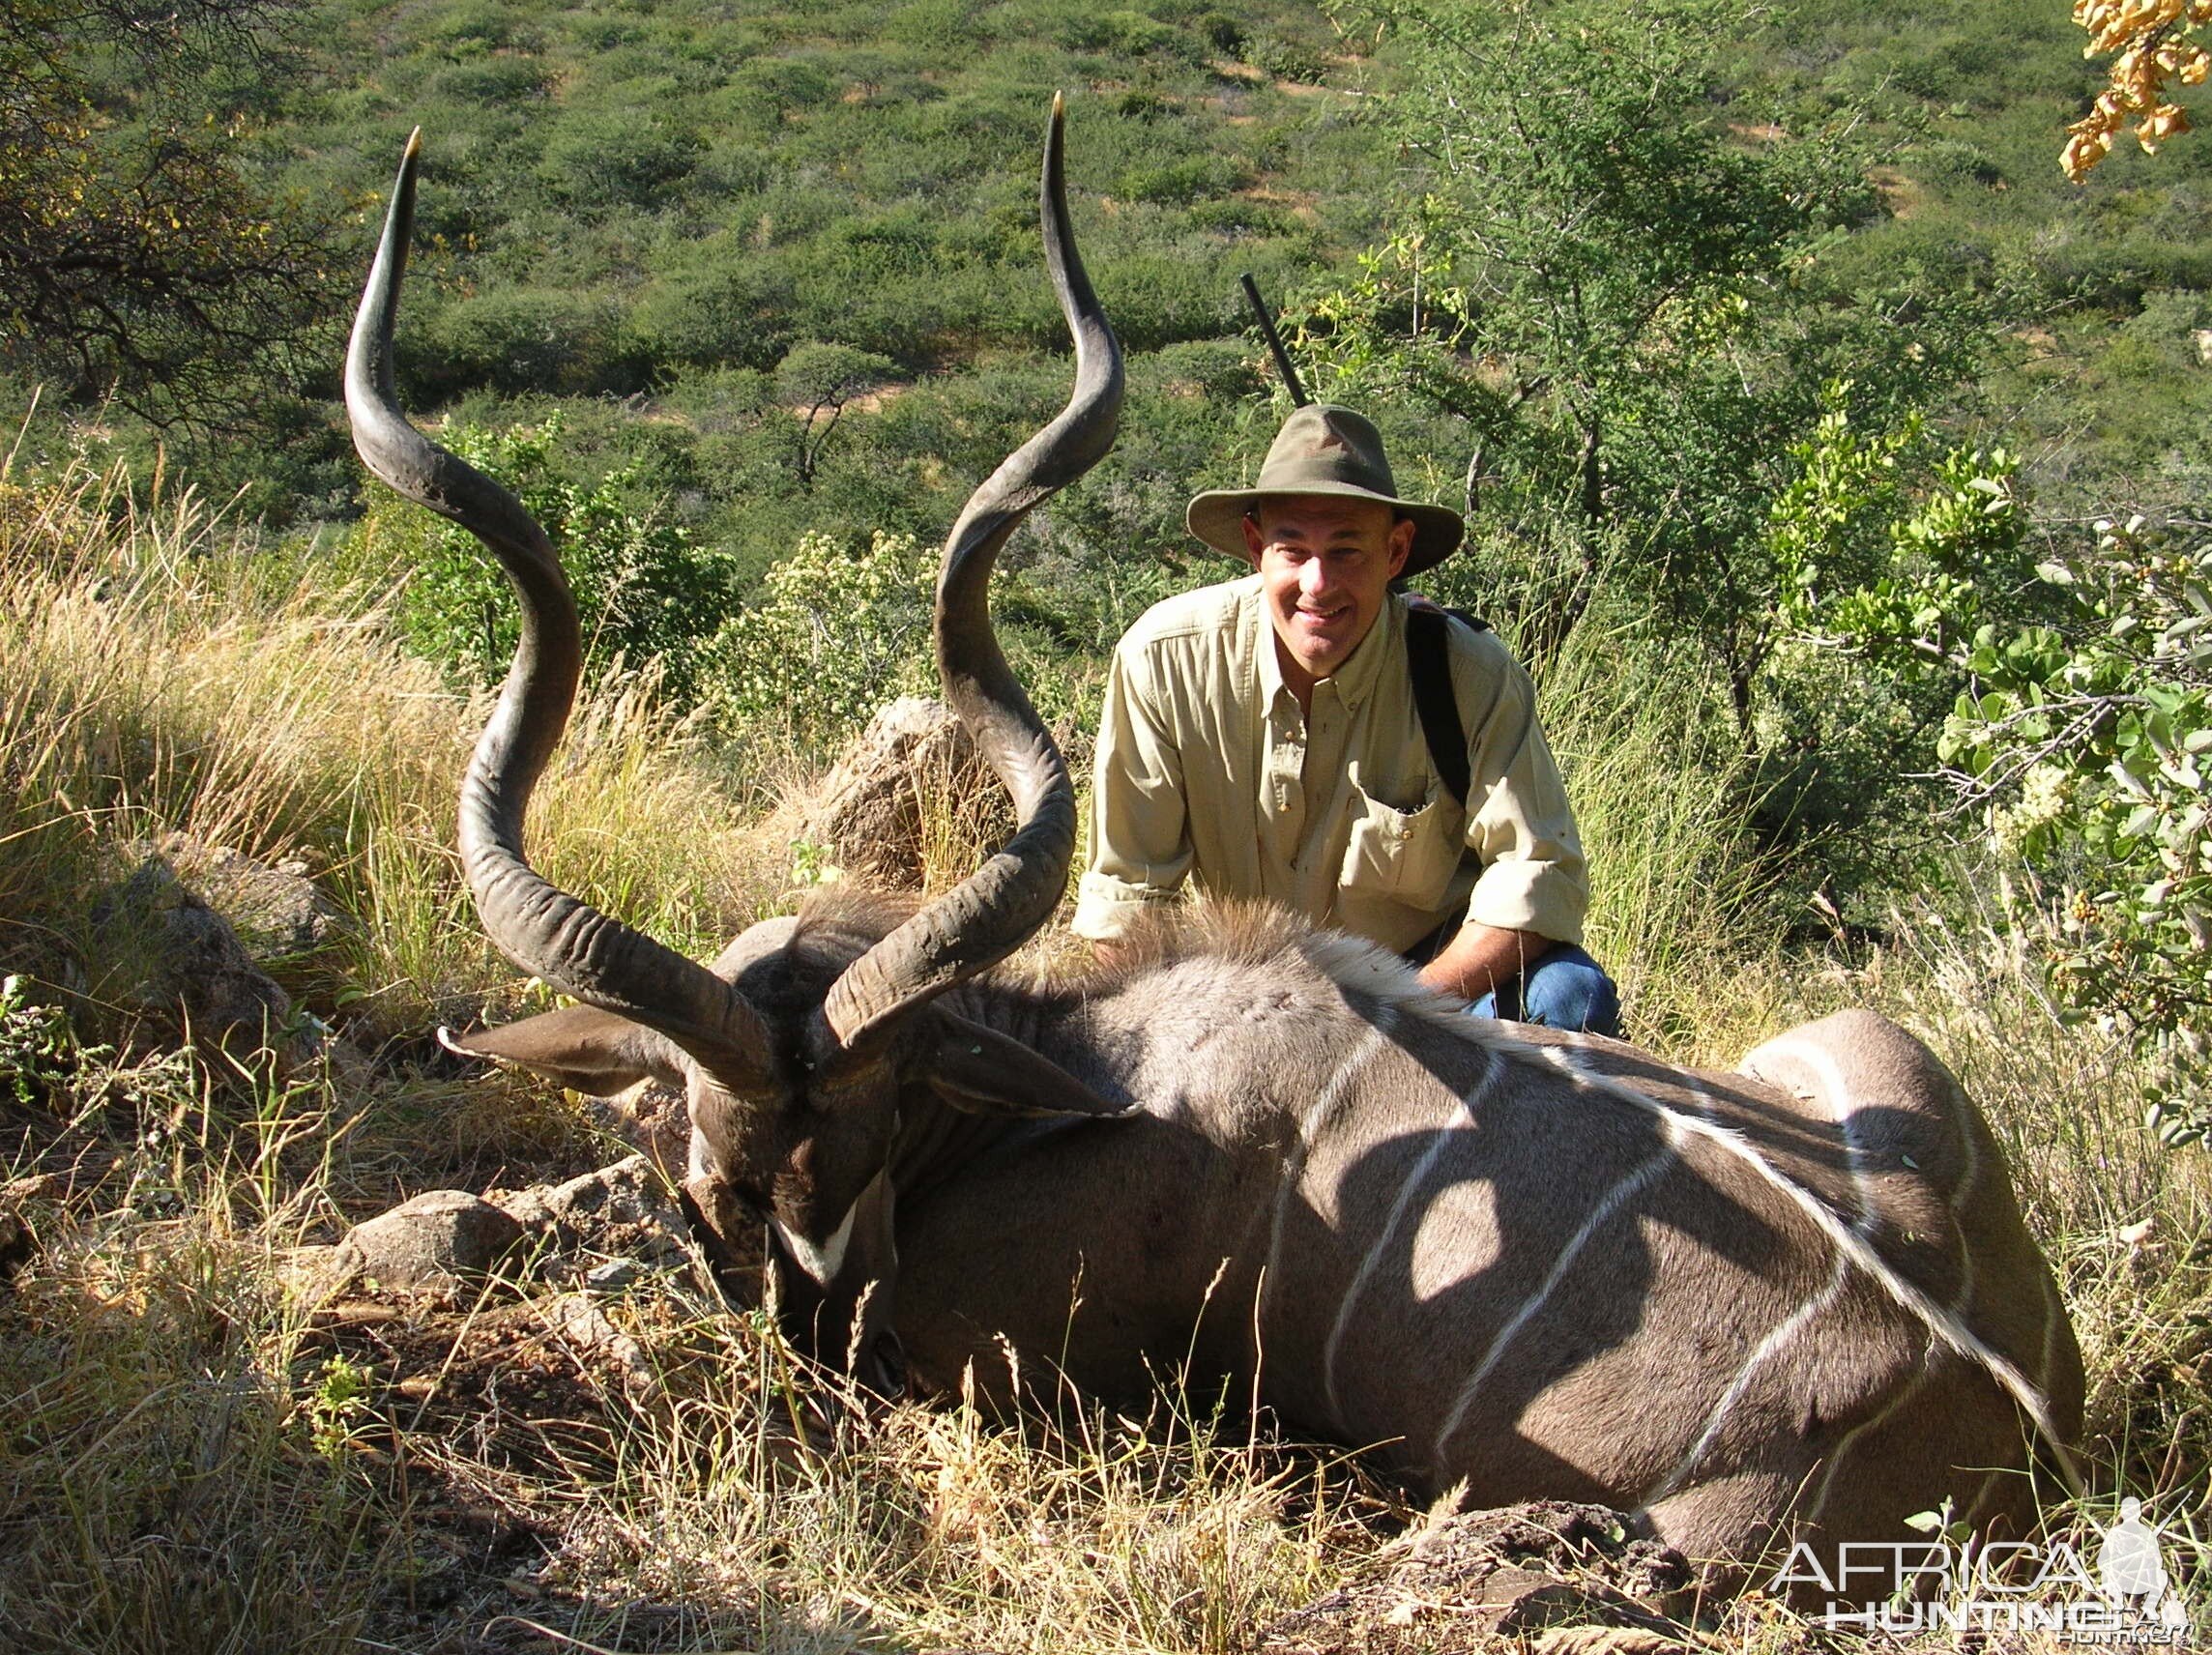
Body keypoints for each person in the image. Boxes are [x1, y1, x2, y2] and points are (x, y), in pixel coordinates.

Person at [1071, 403, 1620, 1036]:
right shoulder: (1164, 661)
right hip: (1247, 990)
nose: (1318, 583)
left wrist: (1398, 1016)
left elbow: (1537, 872)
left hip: (1428, 980)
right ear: (1255, 546)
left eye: (1347, 550)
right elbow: (1129, 908)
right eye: (1292, 549)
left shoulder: (1468, 674)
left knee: (1568, 997)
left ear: (1396, 551)